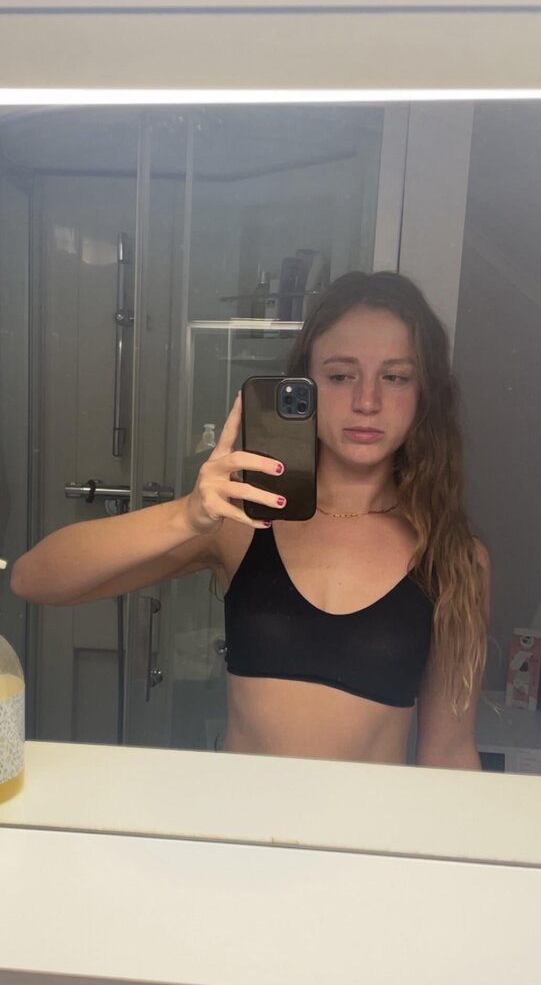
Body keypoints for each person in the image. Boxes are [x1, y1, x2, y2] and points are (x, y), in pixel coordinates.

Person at [10, 271, 491, 769]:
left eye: (395, 377)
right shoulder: (242, 517)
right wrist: (186, 515)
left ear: (424, 391)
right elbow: (34, 578)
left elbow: (449, 749)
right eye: (341, 375)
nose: (366, 401)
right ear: (304, 384)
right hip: (237, 816)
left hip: (369, 821)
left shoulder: (452, 558)